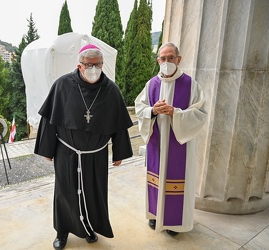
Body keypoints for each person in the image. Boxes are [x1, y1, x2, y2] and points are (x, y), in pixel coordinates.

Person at [34, 44, 133, 249]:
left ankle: (89, 227)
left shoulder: (111, 90)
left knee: (94, 192)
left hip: (96, 154)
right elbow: (49, 120)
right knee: (65, 192)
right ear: (80, 66)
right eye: (89, 64)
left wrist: (119, 152)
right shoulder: (62, 85)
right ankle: (62, 232)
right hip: (66, 152)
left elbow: (119, 124)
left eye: (98, 64)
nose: (94, 69)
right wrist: (47, 148)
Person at [135, 42, 207, 236]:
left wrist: (176, 113)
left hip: (179, 146)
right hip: (157, 144)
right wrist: (152, 110)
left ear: (179, 59)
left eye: (170, 58)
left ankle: (175, 223)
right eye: (162, 58)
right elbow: (139, 108)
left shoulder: (191, 85)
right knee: (156, 180)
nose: (166, 62)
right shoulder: (151, 84)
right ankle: (156, 215)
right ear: (158, 60)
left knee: (176, 181)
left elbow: (200, 114)